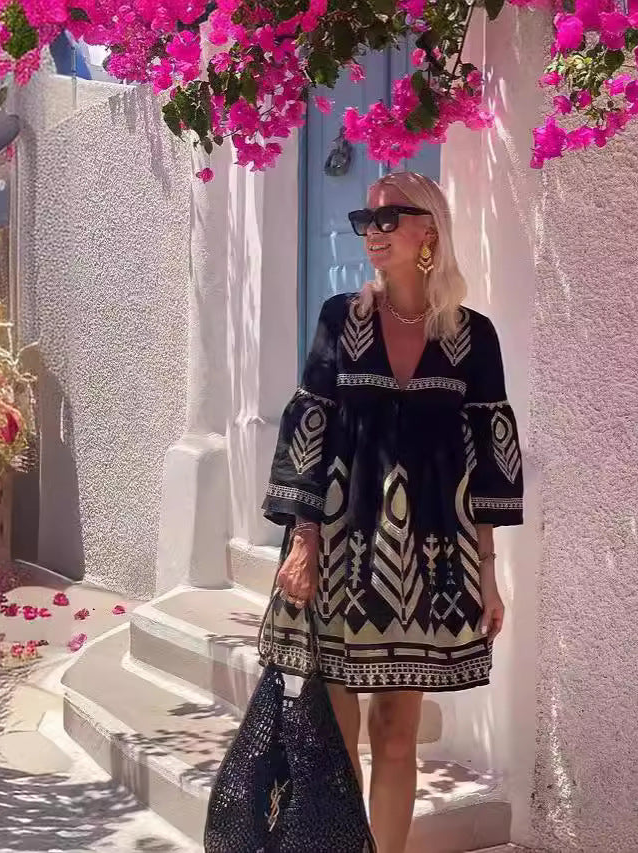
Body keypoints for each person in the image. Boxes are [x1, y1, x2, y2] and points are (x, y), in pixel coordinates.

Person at [261, 170, 524, 853]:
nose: (372, 232)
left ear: (427, 230)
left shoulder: (473, 336)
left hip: (429, 561)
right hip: (341, 551)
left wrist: (488, 572)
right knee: (337, 734)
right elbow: (309, 428)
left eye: (387, 219)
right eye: (365, 221)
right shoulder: (340, 319)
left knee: (397, 734)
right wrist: (303, 541)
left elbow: (487, 460)